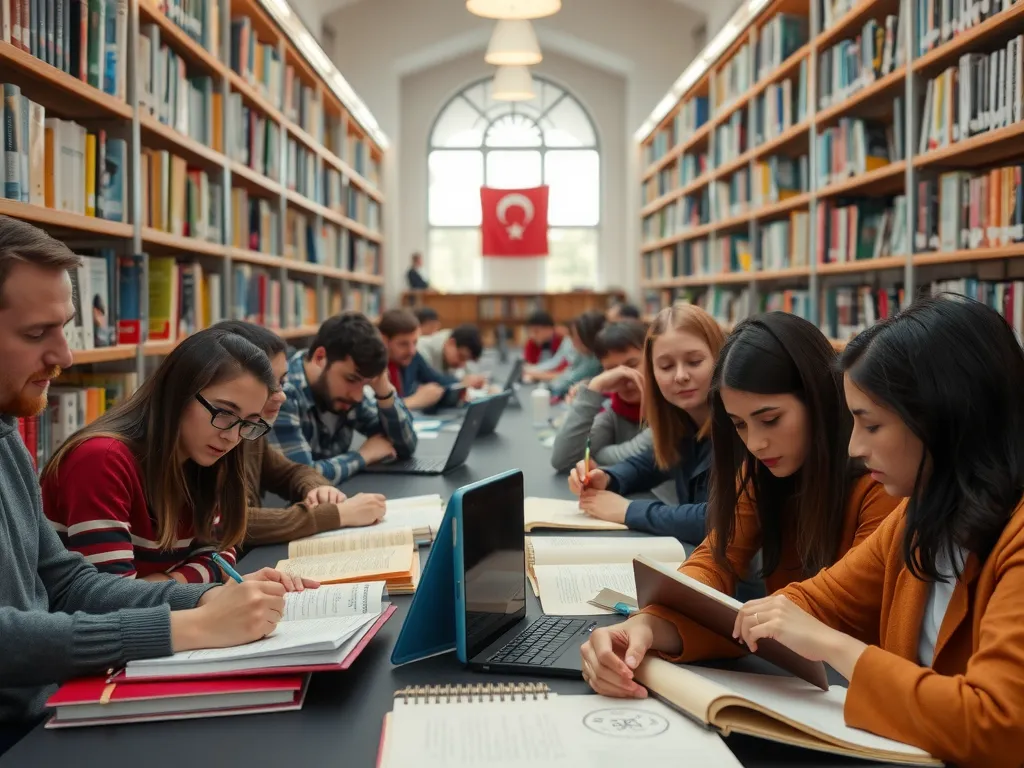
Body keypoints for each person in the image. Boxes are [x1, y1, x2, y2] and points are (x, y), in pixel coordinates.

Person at [581, 295, 1024, 767]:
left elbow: (997, 726)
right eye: (739, 426)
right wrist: (645, 627)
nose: (855, 444)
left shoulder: (910, 504)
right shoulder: (918, 515)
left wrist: (826, 640)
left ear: (945, 416)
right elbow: (802, 605)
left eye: (870, 424)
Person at [0, 216, 296, 754]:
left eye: (65, 328)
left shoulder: (6, 438)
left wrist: (216, 598)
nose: (65, 356)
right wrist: (190, 626)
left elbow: (71, 586)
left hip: (52, 704)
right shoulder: (101, 457)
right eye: (36, 333)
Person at [579, 311, 901, 684]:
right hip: (802, 677)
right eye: (740, 425)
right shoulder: (759, 469)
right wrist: (647, 625)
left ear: (817, 397)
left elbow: (837, 599)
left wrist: (706, 618)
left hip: (860, 689)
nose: (755, 443)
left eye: (770, 419)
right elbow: (717, 558)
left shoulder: (881, 482)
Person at [42, 328, 320, 584]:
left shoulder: (204, 459)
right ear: (179, 393)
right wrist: (196, 585)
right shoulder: (101, 460)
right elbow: (114, 601)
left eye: (249, 422)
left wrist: (169, 583)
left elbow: (223, 551)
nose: (233, 437)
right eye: (224, 412)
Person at [212, 321, 387, 546]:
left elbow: (292, 472)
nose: (281, 395)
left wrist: (318, 488)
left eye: (282, 382)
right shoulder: (213, 438)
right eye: (268, 383)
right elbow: (227, 522)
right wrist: (337, 515)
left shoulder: (250, 434)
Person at [568, 303, 725, 544]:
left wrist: (628, 510)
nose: (680, 376)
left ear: (720, 359)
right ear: (653, 373)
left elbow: (718, 520)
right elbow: (648, 464)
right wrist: (607, 477)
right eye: (666, 366)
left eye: (694, 362)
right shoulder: (681, 422)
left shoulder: (740, 427)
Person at [269, 312, 418, 485]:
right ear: (320, 357)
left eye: (365, 384)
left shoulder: (350, 393)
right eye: (351, 379)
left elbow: (405, 446)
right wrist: (363, 455)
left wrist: (384, 392)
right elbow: (301, 477)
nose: (357, 396)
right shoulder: (282, 394)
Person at [550, 320, 652, 472]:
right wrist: (594, 388)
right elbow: (563, 460)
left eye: (632, 365)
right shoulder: (615, 409)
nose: (623, 376)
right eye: (612, 371)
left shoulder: (671, 408)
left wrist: (594, 454)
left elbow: (640, 454)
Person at [379, 308, 462, 411]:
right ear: (384, 340)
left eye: (415, 342)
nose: (411, 351)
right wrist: (414, 401)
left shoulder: (410, 356)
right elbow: (372, 413)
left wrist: (462, 383)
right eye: (403, 344)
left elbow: (438, 379)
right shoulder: (371, 369)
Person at [548, 311, 606, 399]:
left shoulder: (595, 360)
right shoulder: (583, 354)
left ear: (589, 339)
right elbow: (569, 371)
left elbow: (569, 381)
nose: (573, 343)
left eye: (577, 338)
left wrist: (551, 386)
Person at [417, 323, 487, 389]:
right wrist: (461, 384)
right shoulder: (420, 351)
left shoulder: (450, 357)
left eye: (466, 360)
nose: (462, 364)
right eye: (461, 357)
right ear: (451, 343)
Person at [522, 310, 573, 379]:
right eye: (530, 332)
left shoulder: (564, 339)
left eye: (536, 331)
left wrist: (536, 374)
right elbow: (529, 364)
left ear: (549, 329)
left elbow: (566, 372)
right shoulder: (532, 342)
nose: (532, 335)